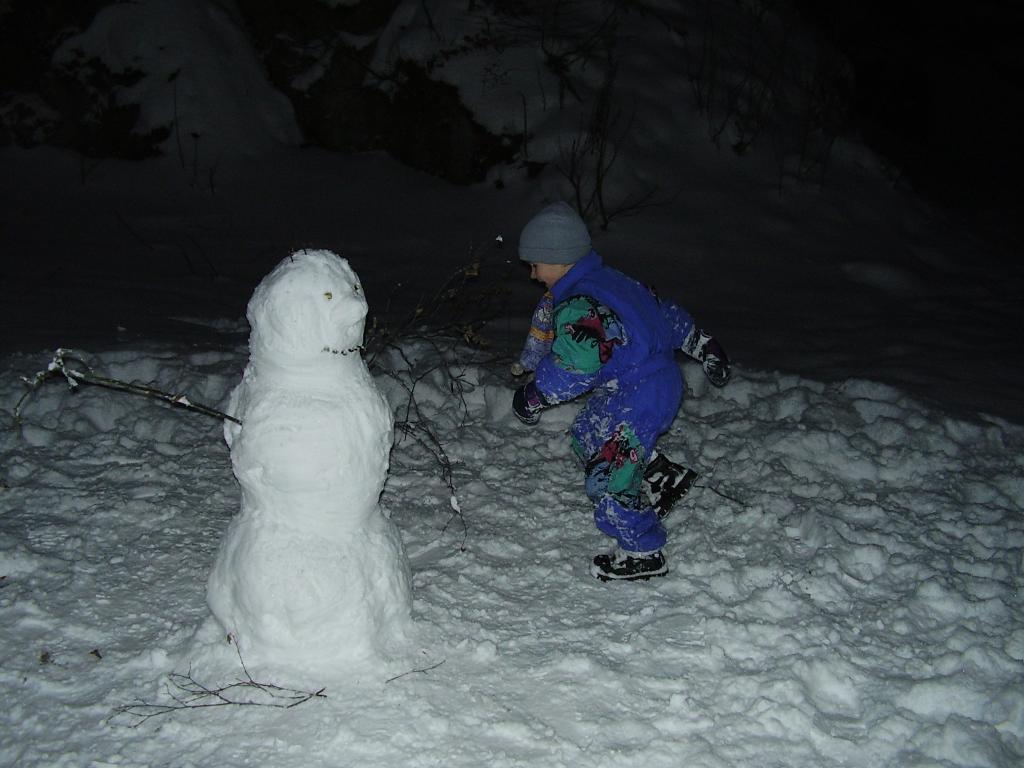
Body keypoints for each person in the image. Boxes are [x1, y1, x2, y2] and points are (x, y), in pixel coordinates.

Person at [510, 201, 730, 582]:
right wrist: (703, 343)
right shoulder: (613, 280)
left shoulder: (577, 304)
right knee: (587, 433)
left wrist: (535, 394)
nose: (532, 275)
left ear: (558, 259)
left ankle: (644, 552)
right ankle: (660, 476)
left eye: (535, 265)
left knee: (608, 478)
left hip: (642, 393)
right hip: (639, 386)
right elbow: (663, 312)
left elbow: (575, 365)